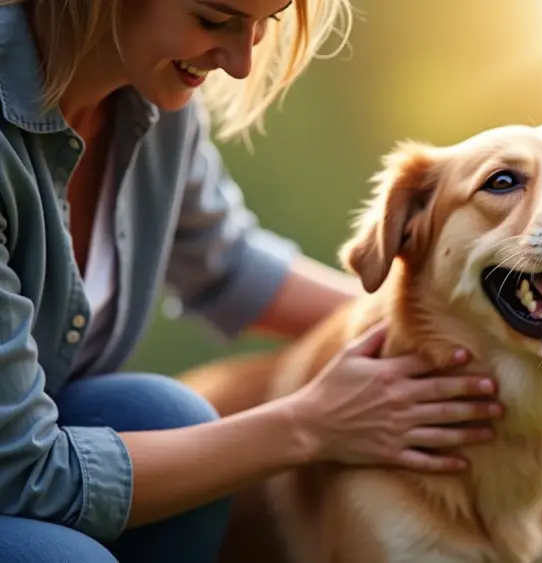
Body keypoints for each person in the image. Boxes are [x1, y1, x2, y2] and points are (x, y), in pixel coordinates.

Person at [0, 0, 505, 561]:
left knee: (167, 416)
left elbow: (226, 261)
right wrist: (310, 424)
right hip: (19, 467)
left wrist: (459, 330)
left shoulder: (152, 99)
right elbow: (25, 471)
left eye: (267, 22)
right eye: (214, 21)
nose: (241, 64)